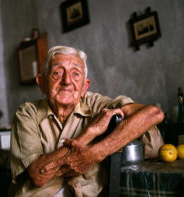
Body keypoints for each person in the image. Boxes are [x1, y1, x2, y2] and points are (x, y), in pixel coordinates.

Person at [9, 46, 164, 197]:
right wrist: (90, 133)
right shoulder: (27, 113)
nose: (67, 81)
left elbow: (153, 114)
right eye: (57, 73)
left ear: (84, 86)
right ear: (42, 83)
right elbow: (38, 176)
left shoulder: (96, 105)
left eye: (76, 74)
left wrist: (97, 153)